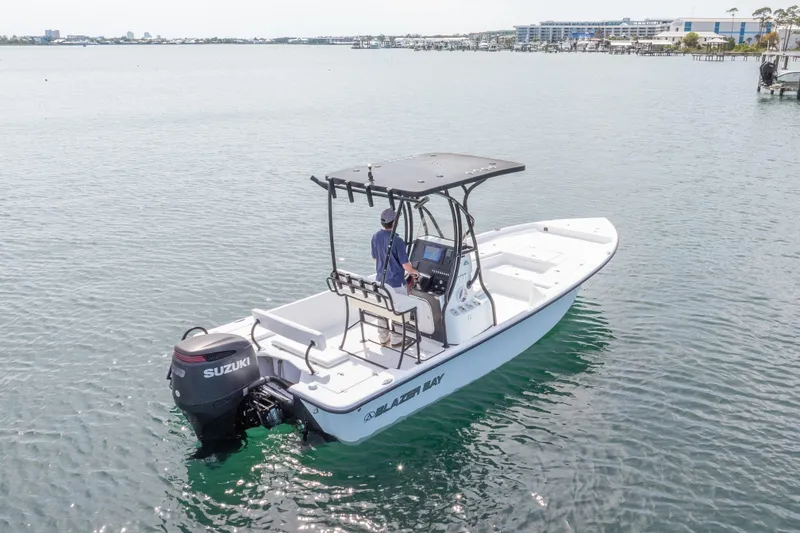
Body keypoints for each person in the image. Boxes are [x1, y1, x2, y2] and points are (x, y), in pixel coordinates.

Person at [371, 208, 419, 346]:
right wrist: (415, 273)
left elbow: (376, 259)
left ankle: (383, 338)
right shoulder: (397, 241)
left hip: (381, 281)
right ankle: (397, 340)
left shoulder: (375, 236)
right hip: (396, 283)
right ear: (395, 222)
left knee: (383, 309)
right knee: (398, 310)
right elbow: (405, 265)